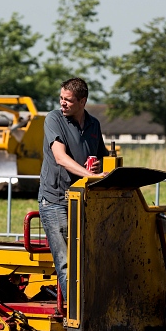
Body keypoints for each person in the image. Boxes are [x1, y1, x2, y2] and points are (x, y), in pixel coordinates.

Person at [38, 78, 108, 303]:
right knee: (66, 261)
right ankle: (77, 314)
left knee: (87, 259)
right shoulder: (54, 119)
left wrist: (98, 165)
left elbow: (102, 157)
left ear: (83, 101)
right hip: (56, 201)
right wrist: (90, 175)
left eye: (68, 100)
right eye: (61, 98)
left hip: (82, 201)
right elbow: (60, 157)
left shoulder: (94, 125)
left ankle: (90, 308)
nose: (63, 103)